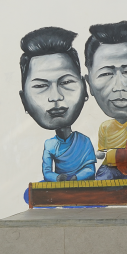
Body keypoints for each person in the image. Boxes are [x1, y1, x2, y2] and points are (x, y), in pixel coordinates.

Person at [19, 27, 96, 186]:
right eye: (40, 86)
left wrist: (76, 178)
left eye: (66, 82)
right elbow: (47, 172)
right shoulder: (50, 145)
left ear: (85, 89)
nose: (55, 97)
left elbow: (90, 169)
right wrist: (57, 179)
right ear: (23, 100)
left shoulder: (84, 141)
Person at [84, 21, 127, 180]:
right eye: (106, 74)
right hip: (112, 167)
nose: (119, 87)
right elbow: (104, 151)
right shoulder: (105, 127)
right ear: (90, 85)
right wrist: (102, 154)